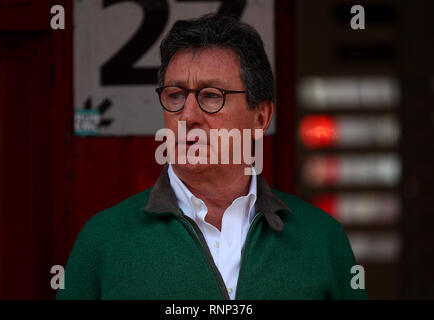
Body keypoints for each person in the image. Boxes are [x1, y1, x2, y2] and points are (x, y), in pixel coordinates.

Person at [57, 14, 368, 300]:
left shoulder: (321, 239)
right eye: (175, 95)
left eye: (211, 96)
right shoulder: (104, 242)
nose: (188, 115)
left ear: (261, 117)